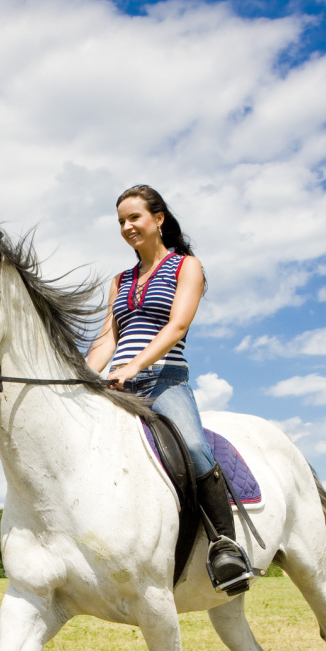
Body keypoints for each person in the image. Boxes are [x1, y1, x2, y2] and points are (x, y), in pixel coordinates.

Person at [86, 185, 253, 594]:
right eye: (121, 221)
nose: (127, 227)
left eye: (134, 218)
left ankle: (224, 546)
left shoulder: (186, 266)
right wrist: (83, 376)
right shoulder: (120, 281)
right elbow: (107, 339)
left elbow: (177, 325)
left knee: (194, 447)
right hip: (120, 385)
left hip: (165, 381)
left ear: (158, 219)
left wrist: (135, 365)